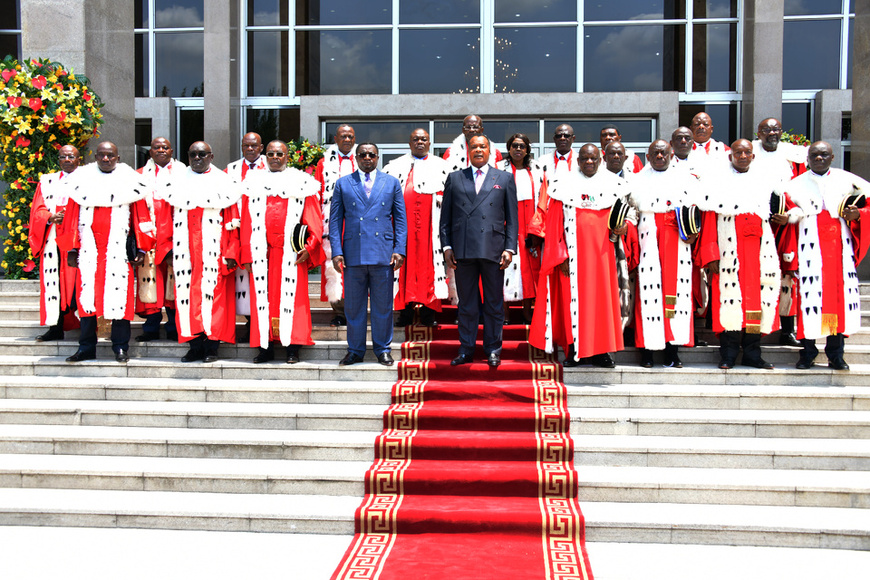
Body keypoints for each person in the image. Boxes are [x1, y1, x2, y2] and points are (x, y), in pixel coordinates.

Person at [530, 143, 628, 368]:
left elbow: (622, 221)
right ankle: (574, 350)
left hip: (602, 256)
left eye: (593, 158)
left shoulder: (613, 186)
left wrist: (622, 229)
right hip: (572, 258)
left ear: (600, 160)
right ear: (578, 161)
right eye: (585, 159)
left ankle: (600, 352)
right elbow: (554, 225)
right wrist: (561, 256)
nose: (589, 162)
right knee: (571, 303)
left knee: (600, 303)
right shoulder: (563, 186)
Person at [56, 142, 154, 363]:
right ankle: (86, 347)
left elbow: (141, 219)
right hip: (90, 251)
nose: (106, 159)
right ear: (96, 157)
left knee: (120, 299)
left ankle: (120, 347)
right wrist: (72, 248)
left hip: (118, 252)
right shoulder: (80, 183)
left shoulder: (131, 183)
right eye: (101, 155)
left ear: (118, 158)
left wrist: (142, 248)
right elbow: (71, 219)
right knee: (87, 299)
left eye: (110, 155)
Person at [778, 141, 870, 371]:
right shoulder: (794, 185)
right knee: (809, 301)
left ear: (832, 157)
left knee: (839, 301)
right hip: (809, 248)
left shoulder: (848, 180)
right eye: (815, 155)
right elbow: (788, 213)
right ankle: (807, 352)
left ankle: (836, 355)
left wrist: (858, 213)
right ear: (807, 158)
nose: (819, 159)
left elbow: (866, 205)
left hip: (839, 249)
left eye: (824, 155)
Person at [697, 139, 780, 369]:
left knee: (757, 303)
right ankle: (729, 354)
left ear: (753, 155)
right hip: (728, 251)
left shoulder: (765, 181)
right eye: (737, 152)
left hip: (758, 253)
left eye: (747, 152)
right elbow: (709, 220)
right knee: (728, 302)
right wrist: (711, 254)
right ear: (730, 155)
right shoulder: (717, 182)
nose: (742, 156)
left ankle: (753, 353)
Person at [155, 141, 241, 363]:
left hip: (215, 251)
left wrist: (231, 252)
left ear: (211, 156)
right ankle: (194, 345)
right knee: (187, 297)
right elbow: (165, 220)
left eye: (202, 154)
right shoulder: (176, 183)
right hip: (186, 252)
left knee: (216, 299)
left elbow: (233, 220)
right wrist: (167, 249)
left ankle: (212, 346)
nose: (197, 158)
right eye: (193, 154)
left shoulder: (225, 182)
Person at [240, 140, 324, 364]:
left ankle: (293, 347)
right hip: (262, 255)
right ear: (264, 156)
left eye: (280, 153)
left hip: (291, 255)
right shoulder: (253, 183)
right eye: (270, 153)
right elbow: (246, 223)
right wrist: (247, 255)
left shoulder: (301, 183)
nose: (275, 157)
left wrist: (310, 246)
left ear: (288, 157)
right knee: (263, 300)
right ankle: (265, 347)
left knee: (294, 301)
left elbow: (313, 220)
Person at [440, 135, 518, 368]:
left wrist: (509, 248)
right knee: (467, 304)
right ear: (468, 151)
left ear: (489, 151)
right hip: (463, 249)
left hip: (493, 249)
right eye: (474, 146)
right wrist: (447, 246)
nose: (478, 150)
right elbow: (446, 218)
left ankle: (493, 349)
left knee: (494, 303)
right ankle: (466, 350)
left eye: (482, 146)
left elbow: (512, 219)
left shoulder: (504, 178)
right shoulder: (455, 178)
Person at [329, 142, 407, 367]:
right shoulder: (343, 183)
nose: (367, 158)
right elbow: (335, 221)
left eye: (371, 155)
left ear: (377, 157)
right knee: (354, 307)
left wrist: (399, 249)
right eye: (362, 154)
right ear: (356, 157)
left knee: (383, 306)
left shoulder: (391, 183)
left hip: (383, 253)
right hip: (353, 253)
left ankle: (383, 349)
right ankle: (355, 350)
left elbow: (400, 219)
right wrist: (337, 251)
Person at [626, 140, 698, 368]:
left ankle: (672, 351)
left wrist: (693, 232)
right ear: (648, 155)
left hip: (676, 239)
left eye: (664, 153)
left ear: (671, 154)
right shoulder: (636, 180)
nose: (660, 156)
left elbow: (695, 211)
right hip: (648, 239)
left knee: (675, 294)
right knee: (648, 294)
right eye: (655, 153)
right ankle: (646, 351)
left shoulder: (685, 178)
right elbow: (630, 214)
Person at [384, 128, 451, 327]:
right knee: (403, 269)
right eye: (416, 139)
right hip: (402, 228)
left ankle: (429, 312)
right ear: (409, 142)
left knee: (429, 269)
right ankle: (405, 312)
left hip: (431, 229)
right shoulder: (396, 166)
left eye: (424, 139)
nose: (420, 142)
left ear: (430, 143)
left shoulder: (442, 166)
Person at [752, 117, 808, 348]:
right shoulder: (749, 153)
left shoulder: (793, 158)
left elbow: (804, 194)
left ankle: (787, 330)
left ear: (781, 132)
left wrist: (792, 216)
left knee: (788, 276)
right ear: (759, 132)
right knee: (755, 276)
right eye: (767, 130)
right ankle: (754, 329)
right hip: (757, 225)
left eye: (775, 129)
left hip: (786, 227)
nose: (771, 133)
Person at [28, 145, 80, 342]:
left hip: (79, 240)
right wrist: (51, 217)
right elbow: (38, 210)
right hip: (53, 241)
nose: (67, 159)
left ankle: (85, 326)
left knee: (78, 284)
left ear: (78, 159)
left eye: (71, 156)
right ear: (59, 160)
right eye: (63, 157)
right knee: (55, 285)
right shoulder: (47, 181)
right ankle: (55, 327)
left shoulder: (89, 179)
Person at [135, 137, 183, 343]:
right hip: (149, 238)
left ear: (171, 151)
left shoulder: (184, 174)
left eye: (165, 147)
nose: (161, 150)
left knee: (175, 284)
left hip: (175, 238)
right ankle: (151, 327)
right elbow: (134, 209)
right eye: (156, 147)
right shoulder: (138, 176)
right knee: (152, 284)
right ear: (150, 152)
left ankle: (173, 327)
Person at [225, 132, 267, 339]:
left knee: (262, 280)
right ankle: (250, 324)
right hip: (237, 231)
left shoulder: (271, 165)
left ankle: (262, 327)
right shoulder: (231, 169)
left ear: (261, 147)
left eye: (254, 146)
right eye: (246, 146)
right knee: (242, 280)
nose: (250, 149)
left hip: (262, 232)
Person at [315, 124, 357, 327]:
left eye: (350, 136)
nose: (347, 139)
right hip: (332, 222)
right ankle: (339, 311)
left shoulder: (363, 159)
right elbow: (317, 193)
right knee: (334, 265)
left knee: (355, 265)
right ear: (335, 138)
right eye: (343, 136)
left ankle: (355, 310)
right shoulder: (324, 164)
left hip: (356, 222)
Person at [501, 133, 543, 323]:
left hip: (529, 225)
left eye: (522, 146)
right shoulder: (499, 169)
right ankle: (505, 313)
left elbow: (543, 200)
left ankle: (527, 311)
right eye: (515, 146)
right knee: (504, 269)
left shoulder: (537, 170)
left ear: (527, 150)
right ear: (509, 148)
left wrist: (536, 229)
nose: (518, 149)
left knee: (529, 269)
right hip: (506, 224)